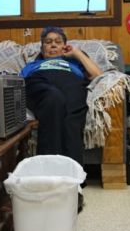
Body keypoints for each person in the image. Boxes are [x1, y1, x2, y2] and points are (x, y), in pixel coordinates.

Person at [20, 27, 103, 166]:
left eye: (58, 42)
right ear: (42, 48)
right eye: (48, 42)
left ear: (64, 46)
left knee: (71, 119)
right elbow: (20, 83)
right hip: (39, 81)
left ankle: (73, 174)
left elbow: (98, 76)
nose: (53, 45)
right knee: (52, 97)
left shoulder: (74, 63)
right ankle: (49, 168)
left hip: (71, 82)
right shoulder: (32, 65)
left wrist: (77, 53)